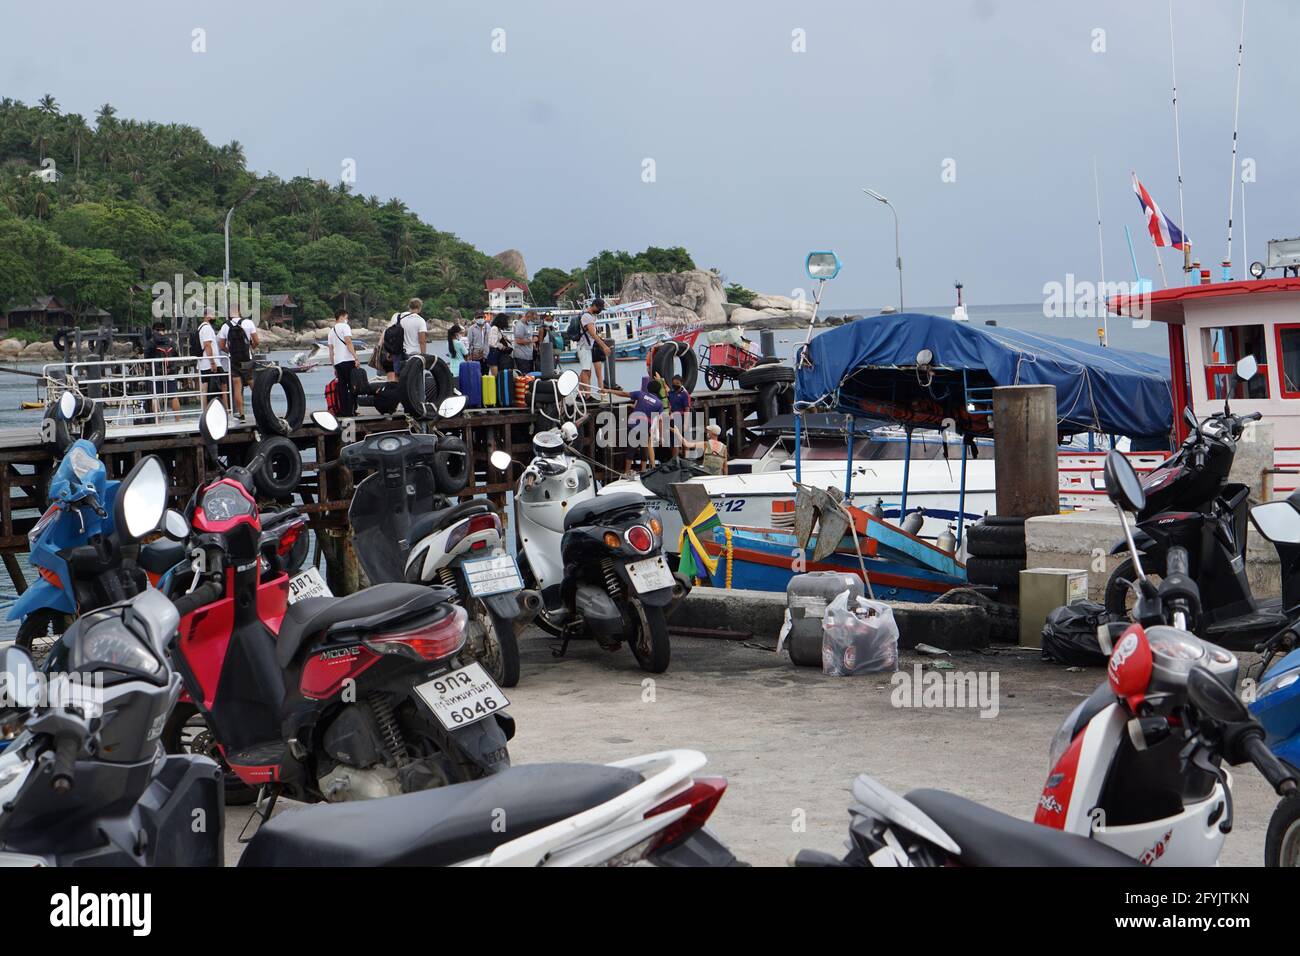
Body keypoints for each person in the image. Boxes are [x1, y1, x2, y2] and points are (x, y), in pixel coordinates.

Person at [605, 375, 664, 470]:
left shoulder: (640, 394)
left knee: (631, 448)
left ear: (648, 388)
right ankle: (643, 471)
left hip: (633, 425)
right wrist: (660, 435)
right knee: (644, 449)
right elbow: (660, 420)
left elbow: (623, 393)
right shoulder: (659, 403)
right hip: (644, 428)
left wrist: (609, 391)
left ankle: (626, 472)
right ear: (658, 391)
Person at [218, 307, 259, 423]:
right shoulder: (248, 323)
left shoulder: (225, 326)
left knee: (237, 387)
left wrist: (230, 352)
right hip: (247, 360)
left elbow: (221, 345)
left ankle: (241, 415)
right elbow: (256, 341)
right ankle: (261, 408)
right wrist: (251, 349)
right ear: (240, 312)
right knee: (252, 384)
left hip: (234, 360)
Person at [145, 321, 181, 421]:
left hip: (156, 373)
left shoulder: (151, 342)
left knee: (156, 397)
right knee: (173, 396)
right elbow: (176, 356)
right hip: (170, 372)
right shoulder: (170, 341)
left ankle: (158, 420)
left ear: (154, 330)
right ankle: (178, 420)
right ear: (164, 330)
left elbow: (146, 359)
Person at [388, 298, 428, 380]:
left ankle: (398, 392)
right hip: (413, 353)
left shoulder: (399, 317)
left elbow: (390, 334)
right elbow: (422, 341)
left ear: (409, 307)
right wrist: (424, 356)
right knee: (414, 379)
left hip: (398, 353)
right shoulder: (420, 320)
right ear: (420, 308)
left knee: (397, 376)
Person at [328, 308, 359, 417]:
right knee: (352, 385)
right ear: (341, 317)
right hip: (348, 360)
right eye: (346, 317)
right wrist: (355, 357)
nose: (347, 320)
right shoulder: (345, 327)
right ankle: (352, 410)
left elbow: (331, 350)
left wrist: (333, 365)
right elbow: (348, 342)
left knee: (342, 387)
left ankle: (344, 411)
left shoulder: (331, 331)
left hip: (337, 362)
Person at [196, 308, 226, 409]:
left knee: (205, 387)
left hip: (203, 363)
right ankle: (225, 409)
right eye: (213, 315)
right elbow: (207, 345)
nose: (214, 317)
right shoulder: (207, 328)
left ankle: (205, 409)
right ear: (207, 315)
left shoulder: (200, 327)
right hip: (210, 363)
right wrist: (213, 362)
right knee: (223, 385)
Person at [579, 299, 610, 390]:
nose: (600, 310)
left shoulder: (591, 316)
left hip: (588, 347)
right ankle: (587, 396)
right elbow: (593, 334)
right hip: (584, 346)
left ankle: (581, 393)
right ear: (594, 306)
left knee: (586, 371)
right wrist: (604, 346)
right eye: (599, 308)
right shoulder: (587, 317)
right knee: (586, 371)